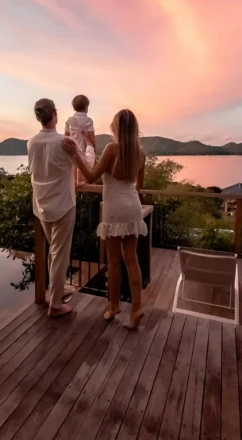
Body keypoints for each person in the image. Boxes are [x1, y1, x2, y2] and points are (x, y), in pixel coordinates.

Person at [64, 109, 146, 328]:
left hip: (114, 208)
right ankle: (137, 308)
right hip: (133, 206)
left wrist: (74, 155)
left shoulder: (112, 148)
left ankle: (114, 306)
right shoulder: (140, 152)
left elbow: (91, 176)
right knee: (131, 259)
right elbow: (139, 186)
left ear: (116, 127)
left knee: (113, 260)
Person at [28, 98, 75, 317]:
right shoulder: (64, 142)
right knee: (59, 254)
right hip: (63, 204)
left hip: (42, 205)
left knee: (53, 253)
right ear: (55, 113)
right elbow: (87, 164)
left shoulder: (32, 142)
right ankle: (55, 304)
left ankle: (56, 291)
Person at [64, 94, 96, 185]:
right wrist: (93, 146)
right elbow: (91, 134)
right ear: (86, 107)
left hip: (73, 144)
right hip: (85, 145)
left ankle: (74, 180)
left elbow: (66, 135)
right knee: (82, 162)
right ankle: (80, 180)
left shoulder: (69, 120)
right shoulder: (88, 120)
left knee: (74, 162)